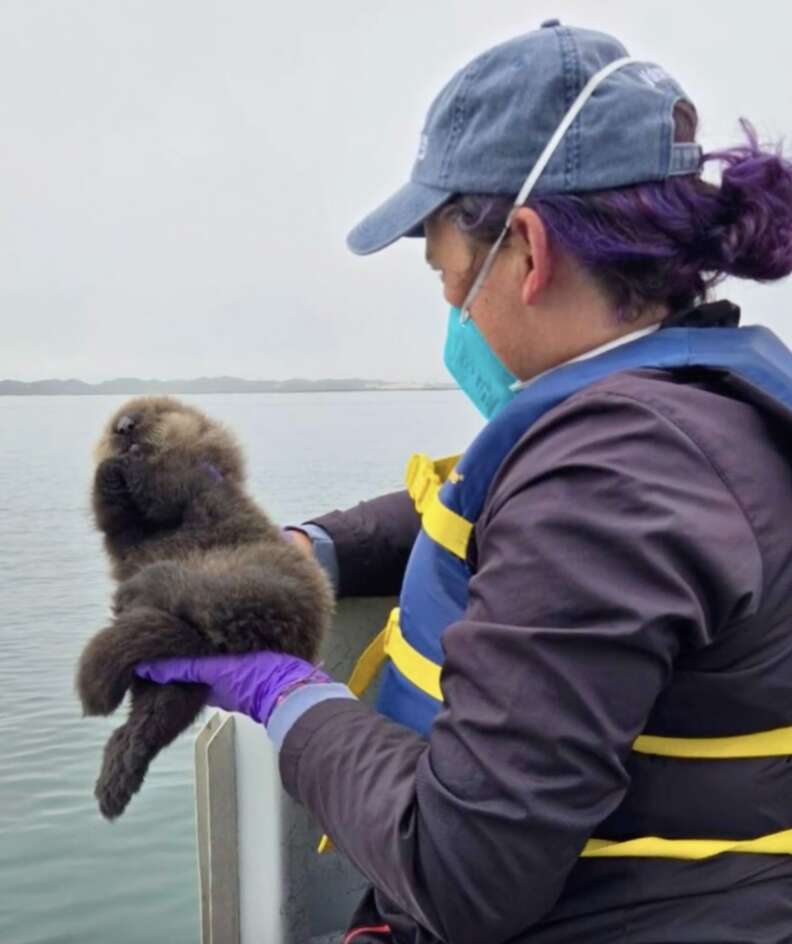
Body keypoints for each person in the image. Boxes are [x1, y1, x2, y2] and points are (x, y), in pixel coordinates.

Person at [136, 21, 792, 944]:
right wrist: (307, 551)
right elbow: (480, 516)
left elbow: (462, 875)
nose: (451, 303)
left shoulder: (614, 476)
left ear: (525, 246)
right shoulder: (691, 419)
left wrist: (281, 691)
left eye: (446, 270)